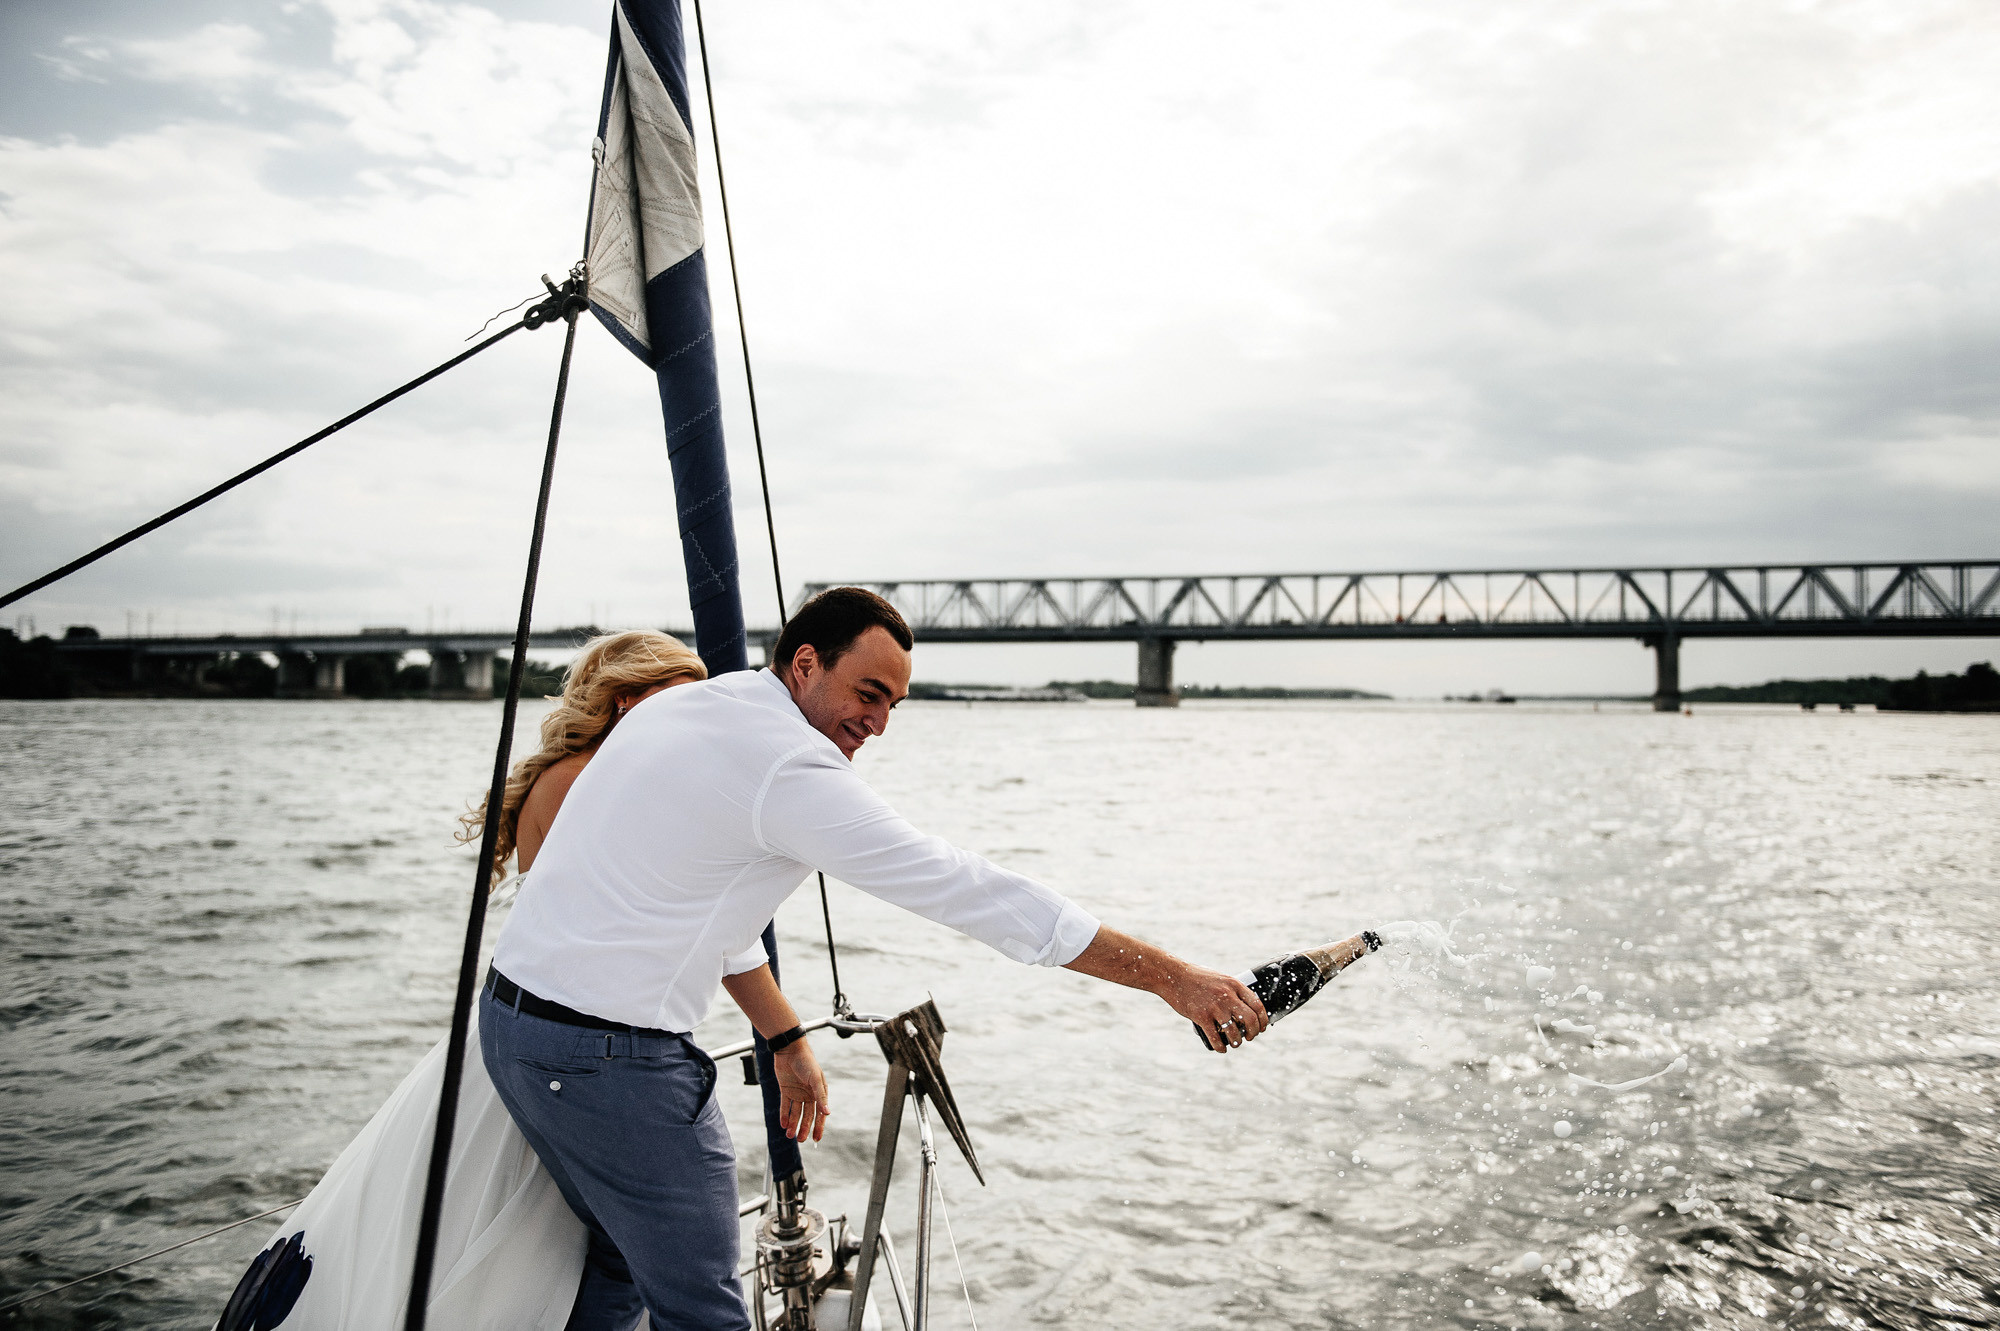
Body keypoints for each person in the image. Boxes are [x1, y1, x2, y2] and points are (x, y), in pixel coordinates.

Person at [483, 587, 1271, 1331]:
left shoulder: (699, 704)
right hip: (608, 1061)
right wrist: (1175, 979)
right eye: (867, 693)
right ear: (804, 664)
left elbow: (689, 894)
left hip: (514, 1028)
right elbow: (967, 888)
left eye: (894, 703)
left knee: (623, 1261)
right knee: (706, 1312)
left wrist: (786, 1039)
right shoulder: (791, 767)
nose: (880, 722)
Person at [223, 632, 710, 1330]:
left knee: (552, 1240)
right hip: (564, 1043)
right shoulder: (590, 778)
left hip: (539, 1032)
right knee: (579, 1242)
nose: (692, 725)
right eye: (679, 704)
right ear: (626, 700)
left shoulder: (579, 773)